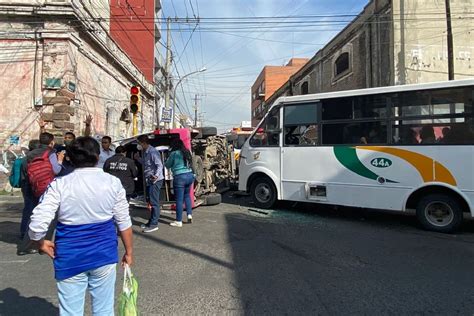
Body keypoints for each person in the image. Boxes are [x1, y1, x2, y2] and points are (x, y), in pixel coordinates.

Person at [28, 136, 133, 315]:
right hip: (104, 253)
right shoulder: (112, 183)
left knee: (70, 311)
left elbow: (38, 224)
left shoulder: (59, 185)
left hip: (69, 255)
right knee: (104, 310)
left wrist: (40, 242)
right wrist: (129, 252)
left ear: (69, 157)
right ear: (97, 155)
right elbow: (123, 220)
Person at [134, 135, 164, 233]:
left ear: (143, 143)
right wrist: (138, 159)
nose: (138, 145)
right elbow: (147, 164)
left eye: (139, 143)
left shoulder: (152, 152)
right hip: (149, 179)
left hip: (155, 180)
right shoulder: (146, 152)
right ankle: (151, 221)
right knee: (150, 201)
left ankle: (154, 224)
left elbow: (159, 165)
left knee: (154, 202)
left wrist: (156, 175)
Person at [165, 139, 195, 227]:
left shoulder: (174, 153)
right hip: (189, 175)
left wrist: (167, 158)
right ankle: (189, 215)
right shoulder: (187, 152)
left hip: (179, 177)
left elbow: (167, 165)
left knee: (179, 200)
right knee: (187, 196)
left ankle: (179, 221)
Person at [18, 140, 40, 241]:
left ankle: (23, 232)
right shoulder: (37, 158)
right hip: (34, 186)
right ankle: (33, 234)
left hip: (25, 185)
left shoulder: (24, 158)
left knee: (27, 210)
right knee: (37, 210)